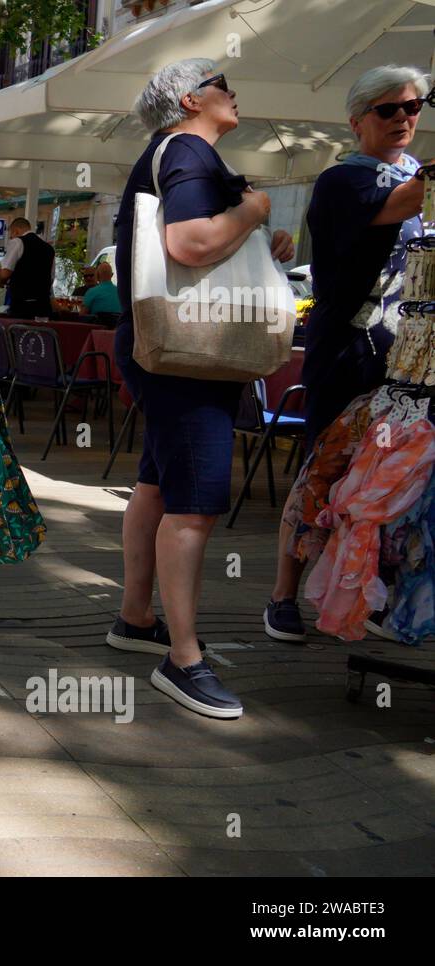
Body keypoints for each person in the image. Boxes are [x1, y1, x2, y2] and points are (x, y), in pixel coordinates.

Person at [106, 59, 295, 719]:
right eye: (221, 83)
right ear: (189, 99)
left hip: (159, 346)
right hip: (187, 357)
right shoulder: (188, 147)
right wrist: (251, 208)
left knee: (158, 484)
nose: (233, 91)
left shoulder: (166, 153)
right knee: (196, 503)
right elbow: (188, 242)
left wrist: (249, 231)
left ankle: (136, 618)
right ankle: (183, 660)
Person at [264, 65, 430, 643]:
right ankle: (284, 592)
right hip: (348, 351)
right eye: (389, 109)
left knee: (391, 478)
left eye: (413, 106)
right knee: (325, 469)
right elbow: (400, 204)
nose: (405, 117)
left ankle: (373, 596)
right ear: (358, 120)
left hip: (407, 362)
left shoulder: (415, 179)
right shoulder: (346, 181)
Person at [0, 216, 54, 319]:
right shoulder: (49, 248)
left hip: (21, 307)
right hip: (43, 307)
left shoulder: (17, 242)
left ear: (16, 231)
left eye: (11, 236)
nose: (11, 238)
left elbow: (5, 273)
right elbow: (51, 278)